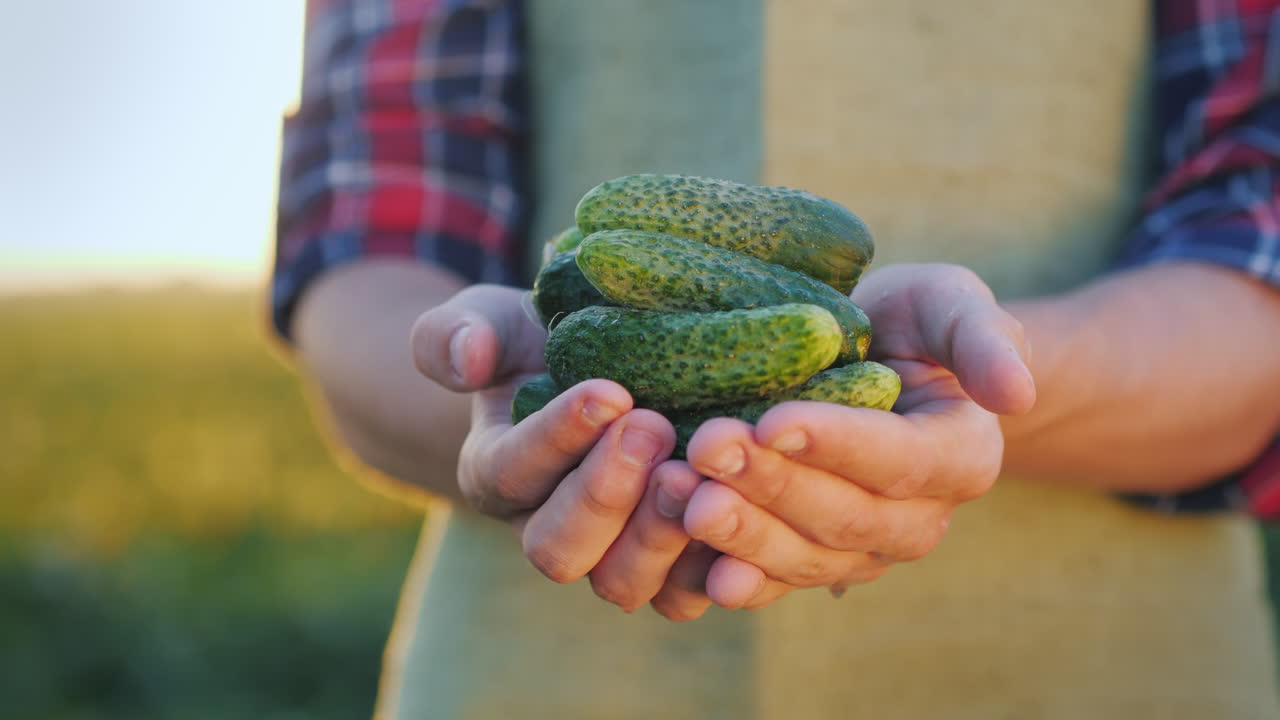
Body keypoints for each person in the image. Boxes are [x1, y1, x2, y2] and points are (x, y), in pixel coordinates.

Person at [271, 1, 1280, 717]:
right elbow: (371, 241)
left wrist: (997, 379)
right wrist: (506, 398)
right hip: (544, 669)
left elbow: (1257, 257)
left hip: (1113, 668)